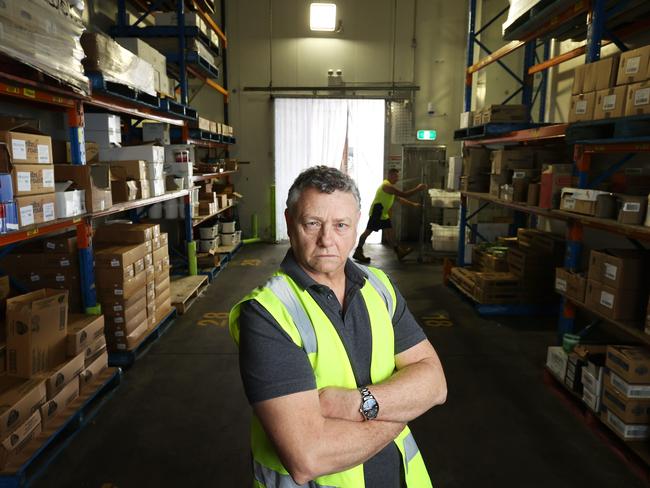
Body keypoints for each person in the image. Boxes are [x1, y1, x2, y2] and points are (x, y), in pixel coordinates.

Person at [229, 166, 447, 487]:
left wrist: (354, 404)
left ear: (357, 224)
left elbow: (435, 384)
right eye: (312, 223)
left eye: (341, 225)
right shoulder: (268, 313)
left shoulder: (379, 286)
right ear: (290, 223)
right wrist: (401, 408)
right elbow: (308, 457)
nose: (327, 240)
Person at [353, 168, 428, 263]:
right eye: (396, 176)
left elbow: (400, 199)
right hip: (377, 212)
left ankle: (399, 252)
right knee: (368, 232)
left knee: (390, 234)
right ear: (390, 175)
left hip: (383, 214)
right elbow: (404, 194)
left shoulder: (390, 188)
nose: (397, 179)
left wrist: (413, 204)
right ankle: (358, 251)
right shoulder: (387, 186)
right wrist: (418, 189)